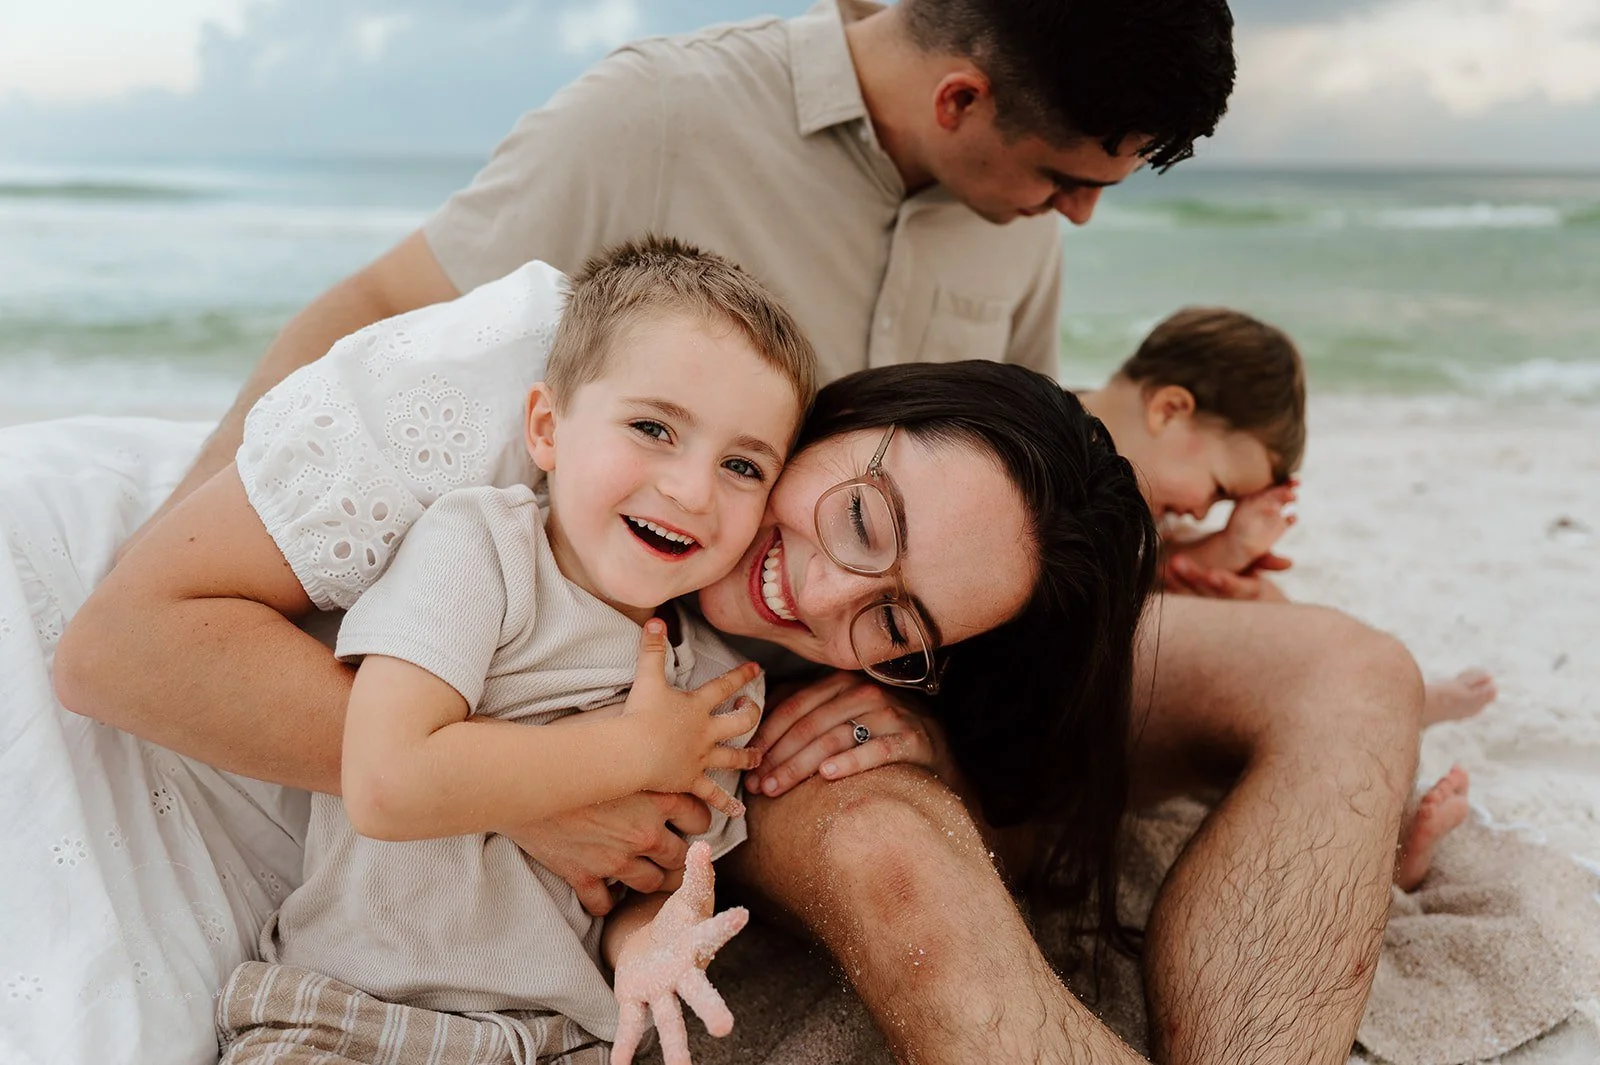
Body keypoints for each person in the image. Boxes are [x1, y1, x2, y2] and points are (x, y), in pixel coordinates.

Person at [44, 1, 1428, 1062]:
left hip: (881, 668)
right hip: (661, 691)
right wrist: (253, 521)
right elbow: (375, 322)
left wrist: (953, 684)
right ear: (965, 94)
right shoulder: (653, 125)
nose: (1080, 209)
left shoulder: (1015, 235)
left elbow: (1000, 511)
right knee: (904, 862)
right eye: (1076, 173)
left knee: (1357, 671)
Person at [211, 237, 816, 1064]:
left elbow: (644, 881)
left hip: (556, 1037)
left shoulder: (714, 688)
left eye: (743, 464)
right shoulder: (481, 549)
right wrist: (634, 748)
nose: (691, 488)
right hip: (349, 1009)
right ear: (546, 427)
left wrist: (647, 942)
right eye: (652, 427)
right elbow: (387, 781)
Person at [1075, 306, 1488, 888]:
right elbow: (1087, 588)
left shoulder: (1109, 463)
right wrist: (1214, 556)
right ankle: (1395, 732)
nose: (1199, 508)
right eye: (1217, 487)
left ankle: (1394, 774)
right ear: (1170, 408)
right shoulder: (1061, 459)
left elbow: (1128, 562)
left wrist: (1223, 549)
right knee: (1288, 662)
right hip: (1073, 726)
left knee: (1256, 599)